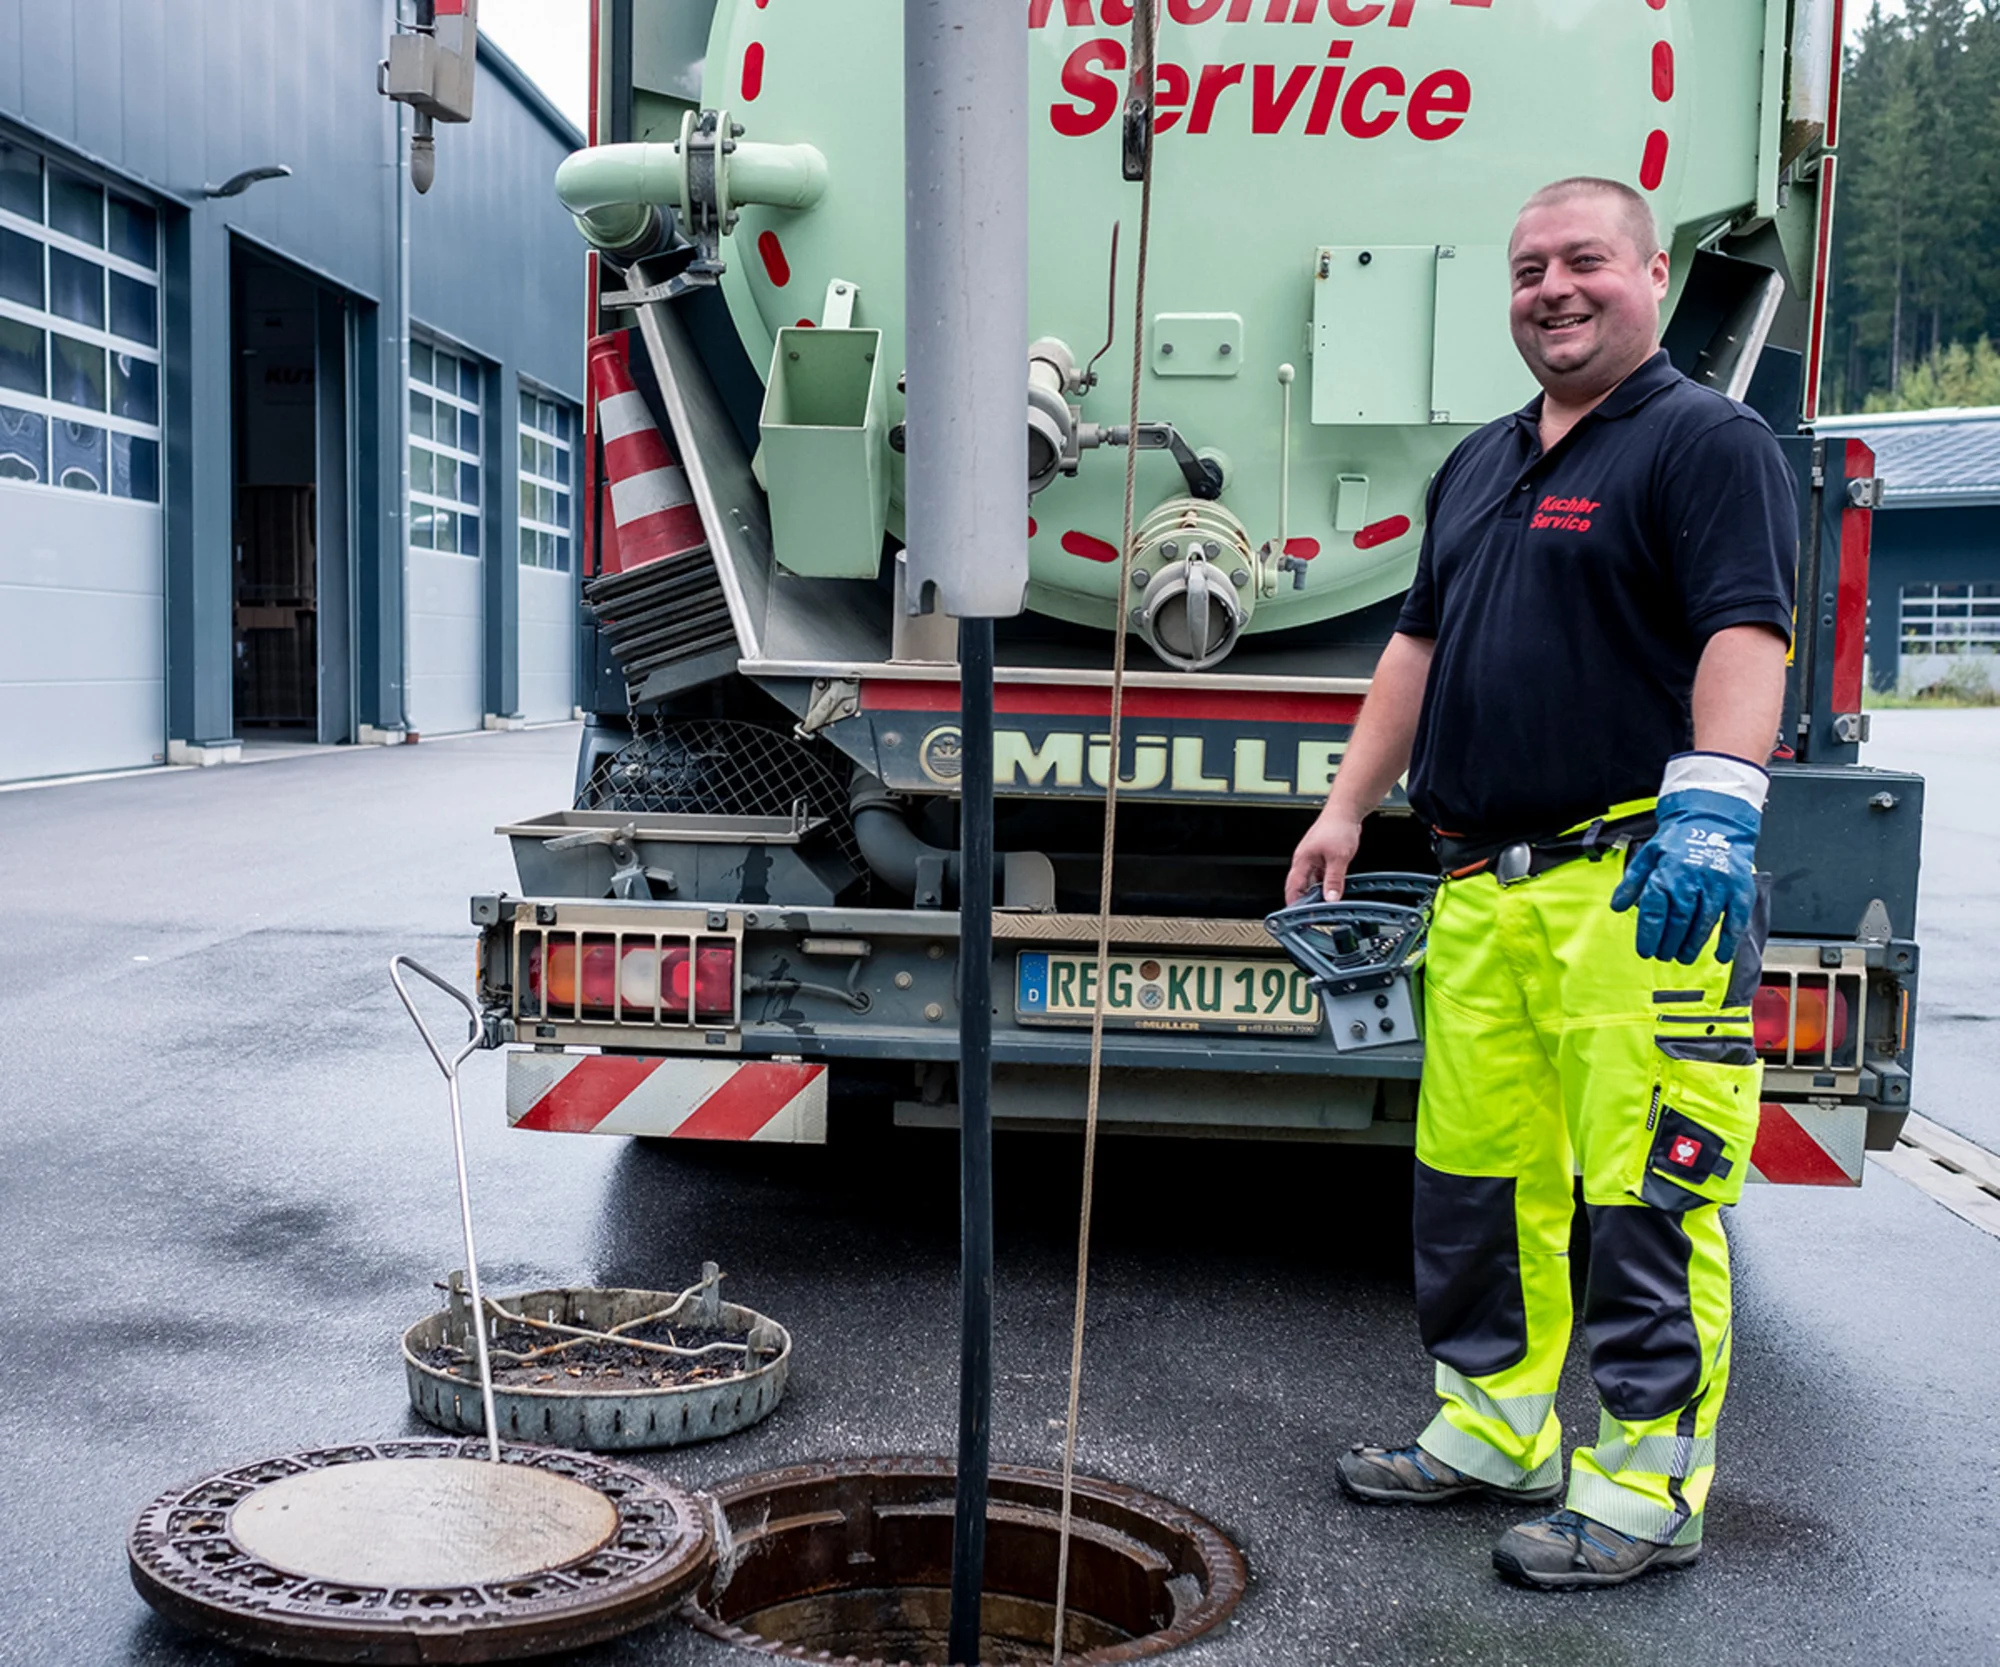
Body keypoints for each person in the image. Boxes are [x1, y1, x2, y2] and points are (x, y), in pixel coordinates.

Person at [1284, 176, 1796, 1591]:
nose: (1553, 290)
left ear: (1648, 275)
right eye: (1528, 271)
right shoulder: (1483, 463)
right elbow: (1417, 652)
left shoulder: (1707, 443)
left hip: (1639, 889)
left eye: (1584, 262)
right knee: (1478, 1183)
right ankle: (1495, 1429)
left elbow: (1746, 630)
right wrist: (1345, 807)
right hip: (1481, 896)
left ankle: (1644, 1488)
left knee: (1643, 1198)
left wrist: (1715, 814)